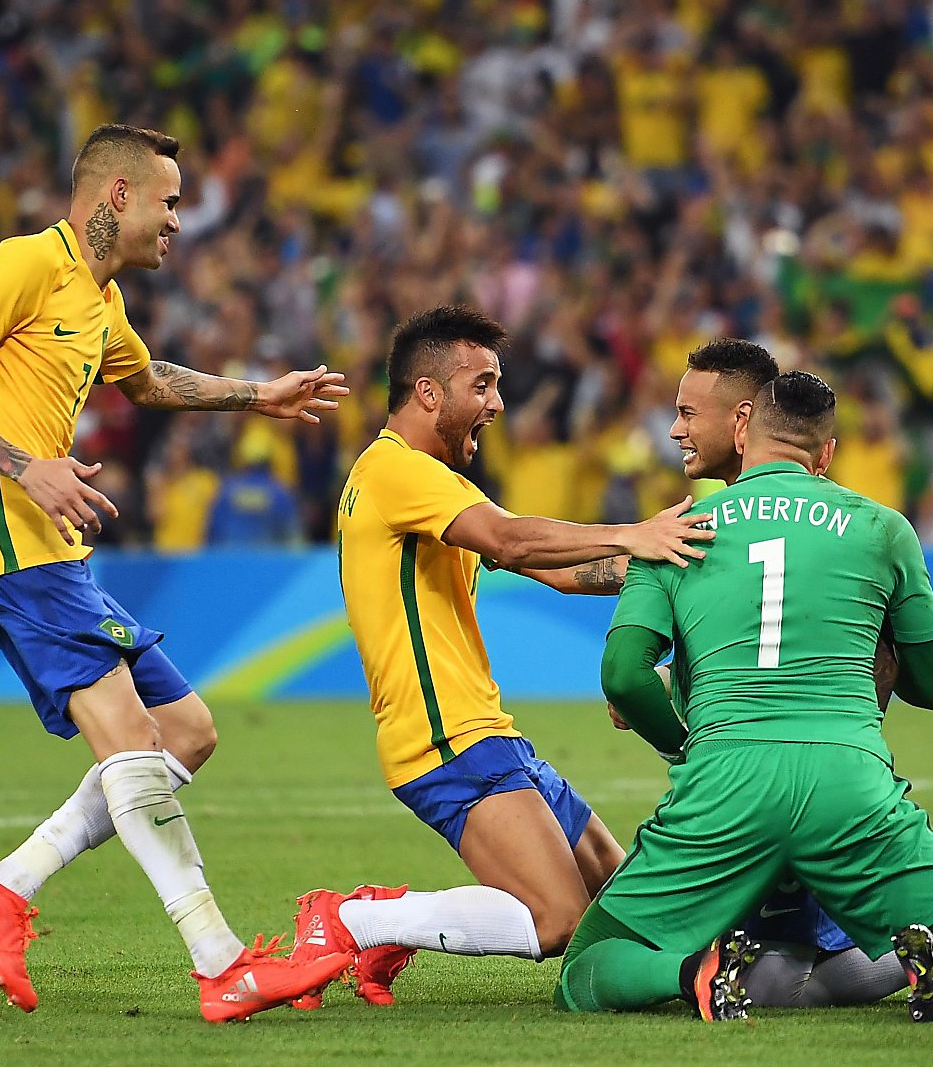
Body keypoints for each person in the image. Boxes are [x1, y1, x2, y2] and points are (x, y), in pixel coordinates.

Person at [0, 124, 356, 1021]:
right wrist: (23, 464)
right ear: (116, 196)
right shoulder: (22, 266)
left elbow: (147, 381)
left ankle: (6, 885)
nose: (178, 222)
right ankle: (221, 963)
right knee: (129, 739)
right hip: (6, 541)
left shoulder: (96, 296)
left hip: (50, 551)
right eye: (170, 201)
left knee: (185, 731)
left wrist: (255, 394)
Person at [558, 372, 933, 1022]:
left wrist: (688, 747)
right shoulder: (882, 528)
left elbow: (623, 675)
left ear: (743, 432)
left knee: (587, 970)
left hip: (723, 779)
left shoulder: (674, 533)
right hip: (848, 779)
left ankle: (691, 974)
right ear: (825, 455)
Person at [284, 305, 714, 1006]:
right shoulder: (397, 471)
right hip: (444, 740)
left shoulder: (423, 481)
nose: (497, 403)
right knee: (559, 921)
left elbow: (557, 570)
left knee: (615, 901)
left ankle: (385, 925)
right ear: (429, 394)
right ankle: (356, 920)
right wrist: (636, 531)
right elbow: (513, 540)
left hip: (488, 733)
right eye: (481, 385)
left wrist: (671, 567)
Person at [663, 339, 908, 1010]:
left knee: (758, 976)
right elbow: (907, 669)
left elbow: (628, 681)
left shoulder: (697, 531)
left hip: (741, 786)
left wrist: (677, 723)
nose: (676, 428)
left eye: (689, 412)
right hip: (834, 781)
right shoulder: (854, 528)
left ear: (744, 423)